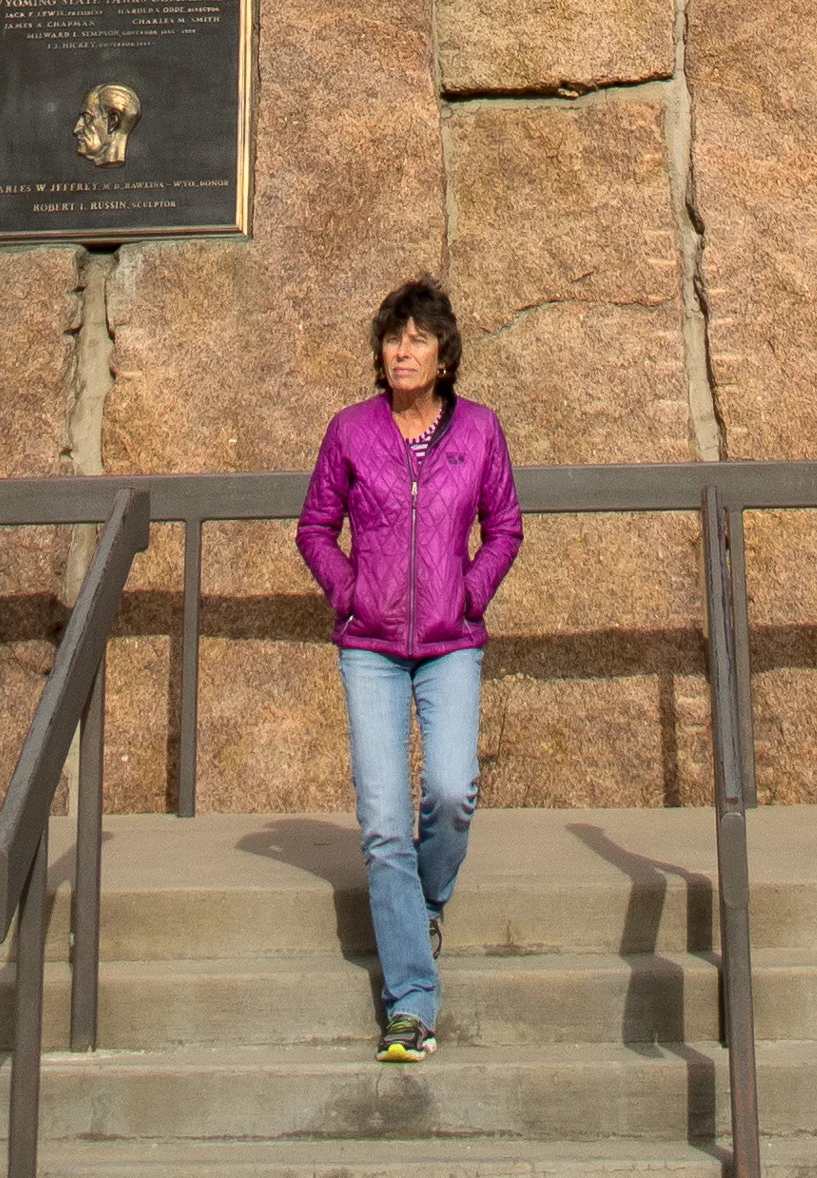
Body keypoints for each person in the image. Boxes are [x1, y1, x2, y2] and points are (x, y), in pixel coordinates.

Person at [295, 276, 523, 1063]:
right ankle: (411, 1003)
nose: (403, 351)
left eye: (419, 339)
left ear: (444, 354)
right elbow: (316, 526)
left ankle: (425, 901)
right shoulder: (352, 431)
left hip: (450, 642)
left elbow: (506, 527)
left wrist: (470, 590)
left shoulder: (481, 432)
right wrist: (349, 588)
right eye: (394, 339)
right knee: (385, 824)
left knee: (453, 793)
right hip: (371, 647)